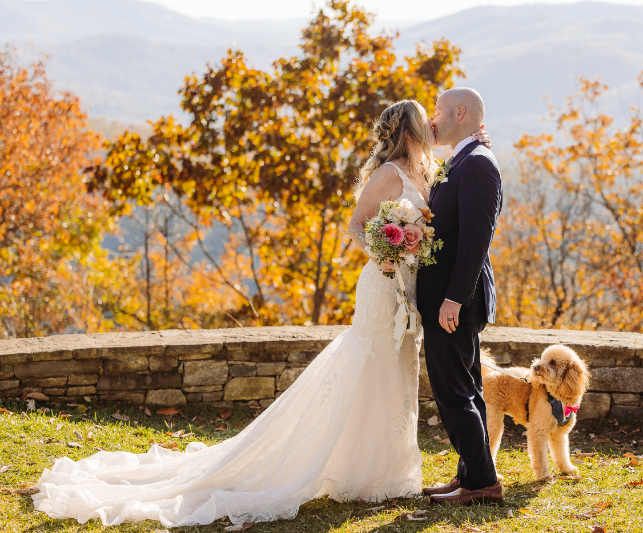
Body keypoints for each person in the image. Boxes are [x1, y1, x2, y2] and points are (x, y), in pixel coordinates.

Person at [32, 99, 491, 527]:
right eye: (425, 120)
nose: (433, 125)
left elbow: (448, 217)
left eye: (438, 116)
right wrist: (383, 250)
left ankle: (386, 471)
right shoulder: (388, 173)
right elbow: (358, 224)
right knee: (368, 365)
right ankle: (351, 469)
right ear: (410, 130)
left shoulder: (432, 171)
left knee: (397, 372)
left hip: (410, 293)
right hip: (383, 285)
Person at [417, 87, 505, 504]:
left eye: (437, 111)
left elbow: (475, 242)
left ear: (461, 112)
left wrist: (452, 298)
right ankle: (471, 473)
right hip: (451, 300)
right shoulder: (463, 160)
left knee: (454, 392)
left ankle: (482, 484)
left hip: (455, 303)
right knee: (466, 388)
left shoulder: (478, 165)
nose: (432, 120)